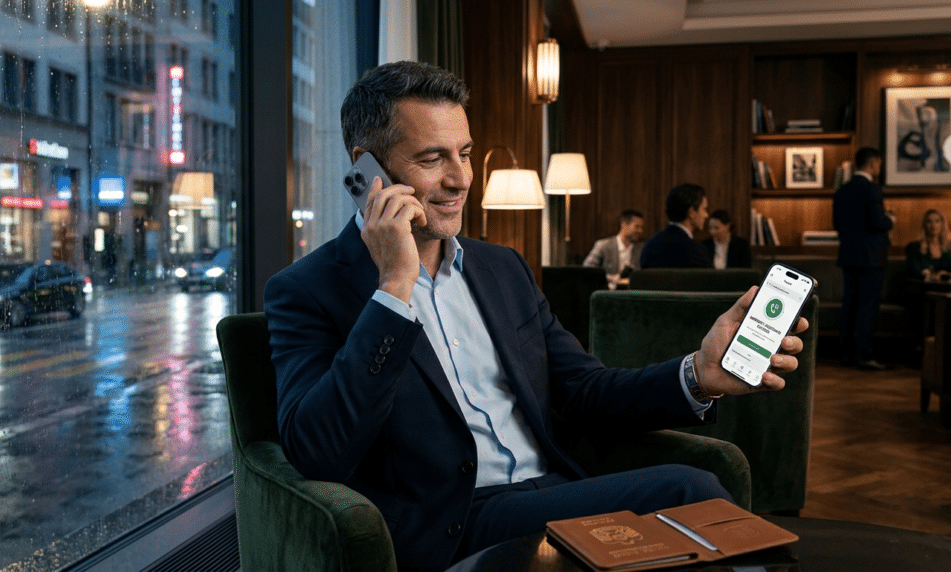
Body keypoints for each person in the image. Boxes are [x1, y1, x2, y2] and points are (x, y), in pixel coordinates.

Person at [263, 61, 807, 572]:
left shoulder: (502, 269)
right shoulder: (307, 290)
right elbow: (318, 452)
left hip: (553, 492)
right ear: (368, 169)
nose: (461, 179)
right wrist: (393, 288)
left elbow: (585, 390)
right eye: (433, 159)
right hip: (456, 524)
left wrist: (697, 374)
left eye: (466, 153)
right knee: (688, 489)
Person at [833, 146, 894, 370]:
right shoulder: (872, 190)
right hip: (871, 259)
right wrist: (891, 220)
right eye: (878, 164)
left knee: (849, 305)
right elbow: (879, 222)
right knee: (867, 307)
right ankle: (864, 356)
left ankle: (846, 353)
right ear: (873, 163)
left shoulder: (842, 190)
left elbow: (837, 225)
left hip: (849, 257)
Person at [903, 209, 951, 348]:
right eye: (929, 221)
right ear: (924, 225)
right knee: (928, 303)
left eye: (937, 221)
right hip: (920, 291)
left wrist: (938, 273)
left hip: (945, 291)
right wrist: (944, 273)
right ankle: (924, 348)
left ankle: (947, 349)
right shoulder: (914, 248)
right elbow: (917, 271)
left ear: (942, 224)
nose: (933, 225)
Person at [640, 183, 713, 268]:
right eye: (704, 209)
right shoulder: (696, 250)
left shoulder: (650, 246)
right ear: (692, 212)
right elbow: (711, 281)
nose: (706, 215)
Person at [582, 209, 644, 289]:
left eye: (641, 227)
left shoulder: (641, 248)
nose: (640, 231)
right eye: (637, 227)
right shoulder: (603, 245)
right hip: (608, 293)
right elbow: (587, 269)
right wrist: (612, 278)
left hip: (632, 293)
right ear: (624, 225)